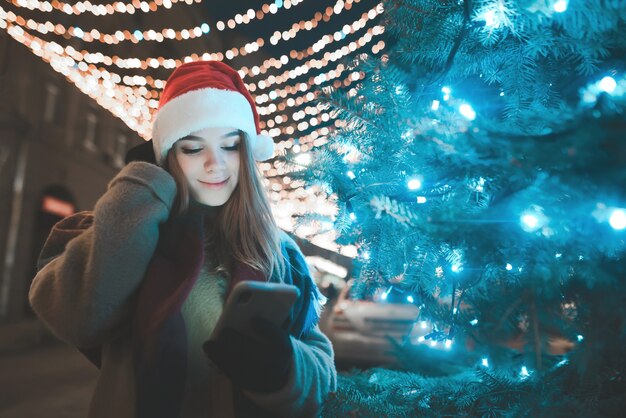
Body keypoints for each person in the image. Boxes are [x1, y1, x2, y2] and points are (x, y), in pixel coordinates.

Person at [29, 61, 337, 418]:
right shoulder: (131, 228)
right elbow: (77, 318)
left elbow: (324, 374)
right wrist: (142, 185)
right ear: (166, 155)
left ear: (248, 155)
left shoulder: (279, 251)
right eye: (192, 148)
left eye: (230, 146)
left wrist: (285, 368)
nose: (214, 164)